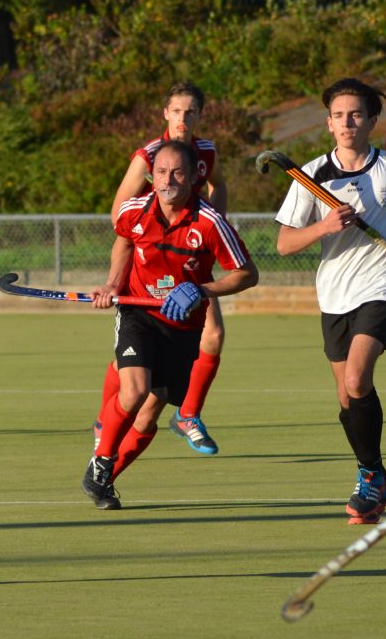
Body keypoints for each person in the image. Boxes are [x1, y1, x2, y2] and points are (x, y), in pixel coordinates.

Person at [275, 78, 386, 524]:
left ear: (372, 121)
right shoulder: (310, 175)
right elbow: (284, 244)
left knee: (356, 379)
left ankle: (370, 478)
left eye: (355, 114)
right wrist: (324, 227)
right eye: (338, 115)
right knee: (347, 397)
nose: (347, 122)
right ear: (329, 123)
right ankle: (376, 479)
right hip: (334, 291)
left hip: (383, 284)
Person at [83, 140, 258, 510]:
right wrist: (113, 284)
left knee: (148, 414)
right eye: (161, 172)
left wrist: (201, 290)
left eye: (177, 172)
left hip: (183, 326)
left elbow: (247, 274)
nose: (168, 180)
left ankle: (106, 480)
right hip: (139, 313)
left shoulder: (210, 223)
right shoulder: (135, 210)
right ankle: (101, 461)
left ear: (194, 176)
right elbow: (124, 242)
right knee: (134, 390)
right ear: (152, 175)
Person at [105, 81, 229, 455]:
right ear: (165, 113)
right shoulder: (147, 156)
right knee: (136, 351)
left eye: (191, 112)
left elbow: (218, 186)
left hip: (188, 254)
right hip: (149, 253)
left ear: (200, 116)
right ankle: (106, 417)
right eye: (176, 111)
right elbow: (118, 215)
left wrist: (213, 223)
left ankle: (188, 413)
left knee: (214, 334)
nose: (183, 118)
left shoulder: (205, 152)